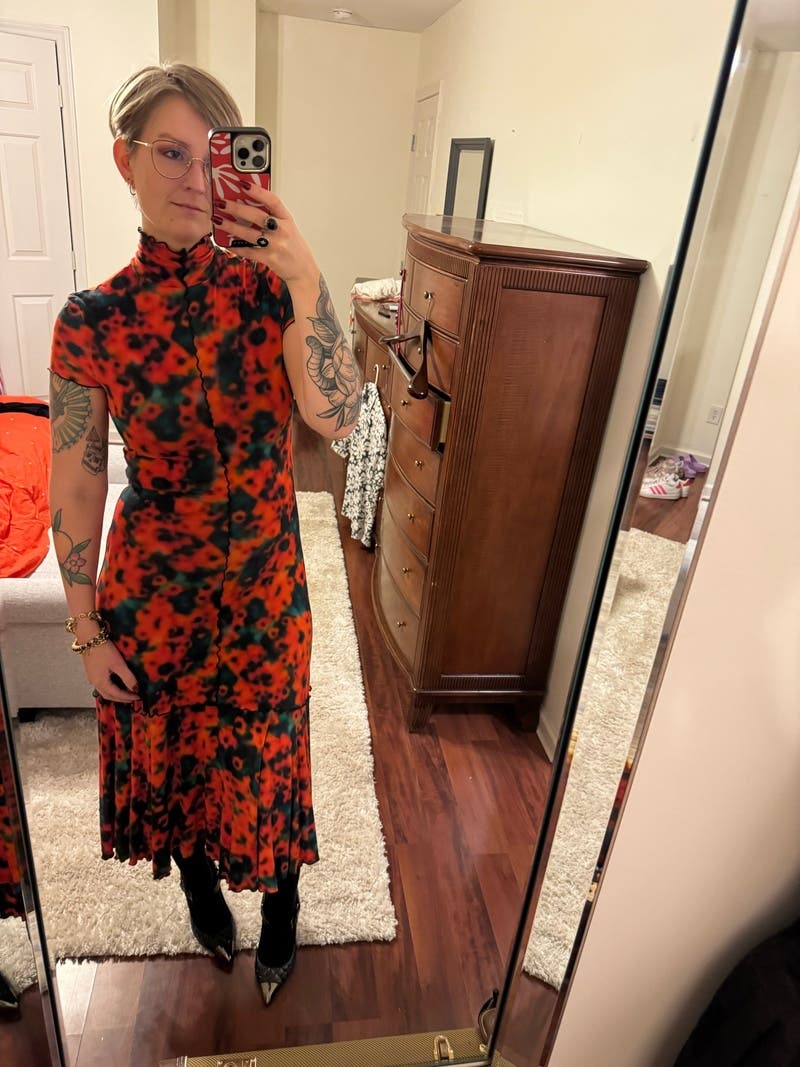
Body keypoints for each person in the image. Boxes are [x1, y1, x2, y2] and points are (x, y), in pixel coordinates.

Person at [48, 62, 362, 1005]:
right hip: (155, 599)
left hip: (267, 593)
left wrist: (305, 274)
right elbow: (77, 479)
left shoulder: (271, 292)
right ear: (126, 162)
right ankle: (198, 892)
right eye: (171, 153)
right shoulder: (92, 320)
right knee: (180, 760)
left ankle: (282, 909)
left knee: (272, 756)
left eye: (213, 155)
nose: (193, 177)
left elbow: (340, 416)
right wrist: (85, 626)